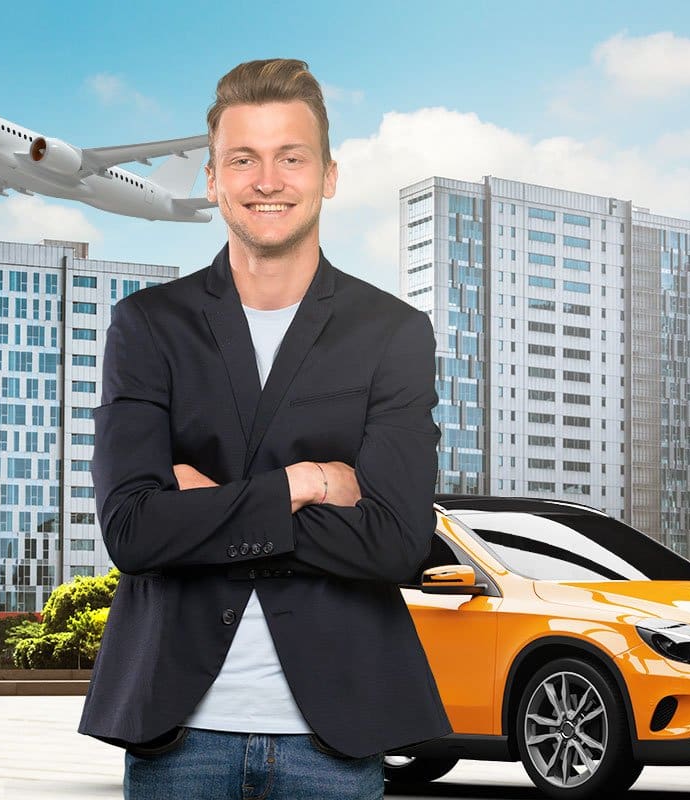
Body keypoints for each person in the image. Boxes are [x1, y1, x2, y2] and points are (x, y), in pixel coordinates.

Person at [80, 58, 450, 799]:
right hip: (177, 734)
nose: (267, 180)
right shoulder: (149, 327)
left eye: (291, 156)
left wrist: (207, 508)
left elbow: (397, 542)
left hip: (335, 733)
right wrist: (304, 484)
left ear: (329, 175)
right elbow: (133, 530)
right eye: (242, 159)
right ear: (213, 180)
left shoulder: (393, 333)